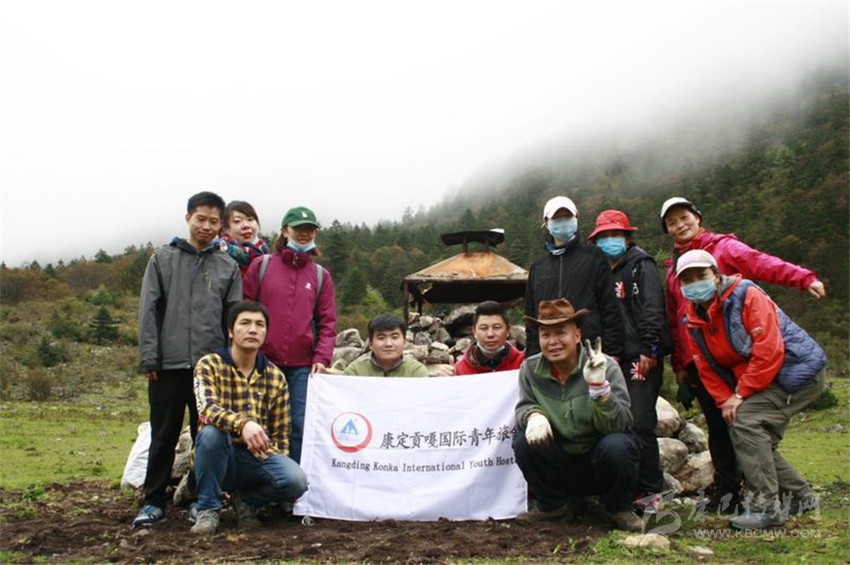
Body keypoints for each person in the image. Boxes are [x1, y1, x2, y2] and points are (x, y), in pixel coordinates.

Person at [661, 196, 827, 512]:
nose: (680, 225)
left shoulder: (731, 262)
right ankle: (780, 496)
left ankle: (765, 504)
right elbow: (675, 321)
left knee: (747, 427)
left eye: (684, 217)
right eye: (672, 222)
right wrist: (683, 364)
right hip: (722, 365)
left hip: (786, 368)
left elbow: (764, 265)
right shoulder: (679, 285)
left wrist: (804, 278)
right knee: (729, 428)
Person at [134, 191, 243, 528]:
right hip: (167, 365)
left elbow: (233, 320)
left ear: (221, 225)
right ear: (188, 218)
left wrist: (229, 365)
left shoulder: (227, 265)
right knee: (163, 435)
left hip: (209, 370)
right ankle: (153, 501)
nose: (207, 226)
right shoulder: (162, 259)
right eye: (201, 219)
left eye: (214, 221)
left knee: (207, 436)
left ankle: (202, 499)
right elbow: (148, 310)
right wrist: (150, 358)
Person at [512, 298, 642, 532]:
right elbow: (525, 405)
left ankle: (619, 508)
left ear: (577, 335)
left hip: (598, 459)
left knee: (619, 445)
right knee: (523, 441)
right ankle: (554, 507)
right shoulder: (530, 369)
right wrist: (533, 416)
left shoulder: (605, 366)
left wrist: (600, 391)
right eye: (545, 335)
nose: (552, 342)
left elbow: (621, 423)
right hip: (561, 458)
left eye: (560, 333)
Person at [190, 301, 309, 535]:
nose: (253, 329)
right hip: (220, 454)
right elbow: (207, 409)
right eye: (245, 323)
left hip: (256, 457)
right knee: (211, 434)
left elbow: (281, 435)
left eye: (259, 325)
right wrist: (243, 424)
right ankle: (208, 508)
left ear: (265, 333)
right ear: (230, 331)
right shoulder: (209, 364)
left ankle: (247, 502)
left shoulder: (275, 376)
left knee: (296, 481)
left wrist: (277, 470)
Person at [587, 209, 671, 515]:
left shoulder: (641, 265)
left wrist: (651, 348)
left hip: (640, 356)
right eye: (604, 236)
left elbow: (652, 307)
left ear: (627, 237)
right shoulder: (599, 272)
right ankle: (624, 488)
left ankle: (650, 491)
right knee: (612, 422)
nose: (610, 241)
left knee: (639, 421)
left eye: (616, 234)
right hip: (610, 358)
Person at [243, 206, 337, 464]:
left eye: (310, 229)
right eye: (298, 229)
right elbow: (244, 310)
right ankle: (258, 481)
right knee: (259, 423)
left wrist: (322, 357)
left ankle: (293, 483)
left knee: (299, 426)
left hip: (302, 367)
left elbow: (328, 322)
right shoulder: (261, 266)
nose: (304, 234)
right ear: (285, 231)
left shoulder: (320, 276)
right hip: (262, 362)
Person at [524, 196, 624, 360]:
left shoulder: (593, 256)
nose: (563, 221)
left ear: (576, 218)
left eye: (567, 216)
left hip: (590, 351)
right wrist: (532, 356)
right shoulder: (538, 267)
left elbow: (609, 306)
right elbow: (531, 314)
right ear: (546, 223)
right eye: (557, 217)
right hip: (550, 353)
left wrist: (613, 352)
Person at [344, 314, 429, 377]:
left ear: (404, 342)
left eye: (394, 337)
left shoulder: (416, 372)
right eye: (381, 338)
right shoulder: (355, 372)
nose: (388, 344)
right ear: (370, 344)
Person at [455, 300, 525, 375]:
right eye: (484, 328)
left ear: (508, 330)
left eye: (496, 327)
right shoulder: (460, 369)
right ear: (474, 331)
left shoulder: (523, 364)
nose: (490, 334)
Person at [217, 200, 269, 276]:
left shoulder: (263, 249)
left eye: (250, 219)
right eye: (237, 221)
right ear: (225, 228)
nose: (246, 225)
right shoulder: (219, 252)